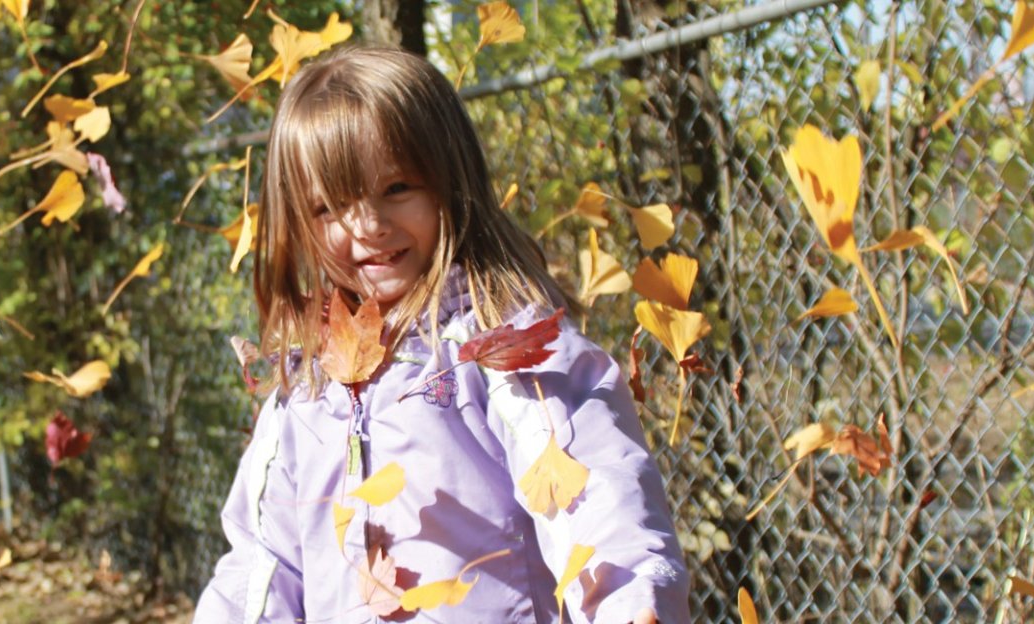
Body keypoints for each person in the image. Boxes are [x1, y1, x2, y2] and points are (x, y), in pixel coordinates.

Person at [195, 45, 690, 624]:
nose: (368, 227)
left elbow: (598, 498)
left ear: (449, 181)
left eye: (397, 189)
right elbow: (263, 563)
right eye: (329, 207)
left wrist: (632, 605)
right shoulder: (306, 386)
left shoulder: (504, 348)